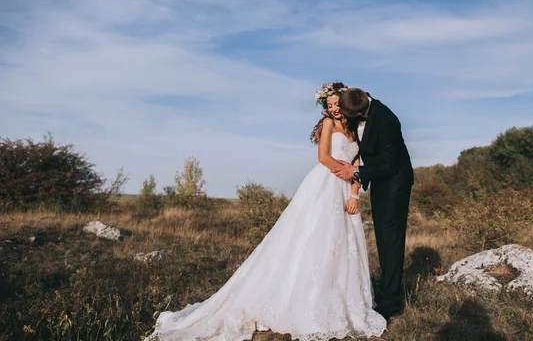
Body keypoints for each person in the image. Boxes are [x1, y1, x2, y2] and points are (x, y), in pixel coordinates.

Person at [148, 82, 386, 341]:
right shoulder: (328, 125)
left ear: (344, 103)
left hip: (345, 189)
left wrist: (354, 193)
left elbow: (357, 162)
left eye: (337, 105)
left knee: (344, 244)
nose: (334, 110)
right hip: (326, 184)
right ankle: (306, 299)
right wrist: (342, 171)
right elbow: (323, 157)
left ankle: (341, 299)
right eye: (329, 107)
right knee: (317, 240)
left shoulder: (353, 128)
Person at [332, 88, 414, 320]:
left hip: (394, 184)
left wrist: (355, 170)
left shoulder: (387, 120)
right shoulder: (355, 98)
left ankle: (392, 302)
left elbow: (390, 164)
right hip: (379, 180)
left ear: (360, 113)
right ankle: (387, 290)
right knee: (382, 236)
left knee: (391, 239)